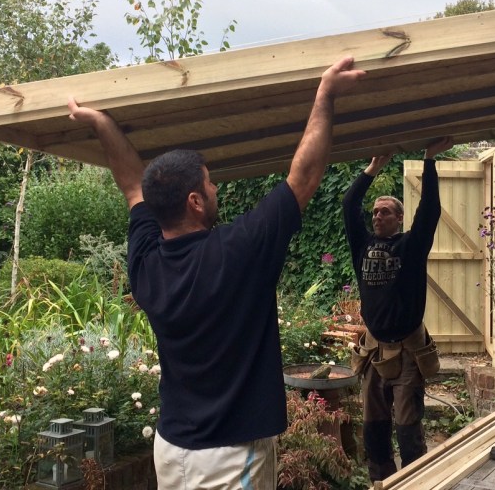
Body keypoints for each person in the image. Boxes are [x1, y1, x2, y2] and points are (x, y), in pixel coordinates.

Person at [68, 55, 366, 490]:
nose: (216, 188)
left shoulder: (147, 262)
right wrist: (325, 96)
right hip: (230, 455)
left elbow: (133, 185)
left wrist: (100, 124)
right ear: (194, 201)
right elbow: (303, 178)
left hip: (172, 448)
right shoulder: (237, 250)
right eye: (209, 184)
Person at [342, 136, 453, 482]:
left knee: (408, 428)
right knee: (374, 428)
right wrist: (372, 169)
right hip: (374, 350)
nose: (377, 216)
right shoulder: (363, 245)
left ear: (399, 218)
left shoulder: (411, 245)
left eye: (384, 211)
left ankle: (414, 482)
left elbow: (430, 210)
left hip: (407, 352)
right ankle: (381, 482)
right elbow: (349, 205)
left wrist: (429, 161)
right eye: (375, 211)